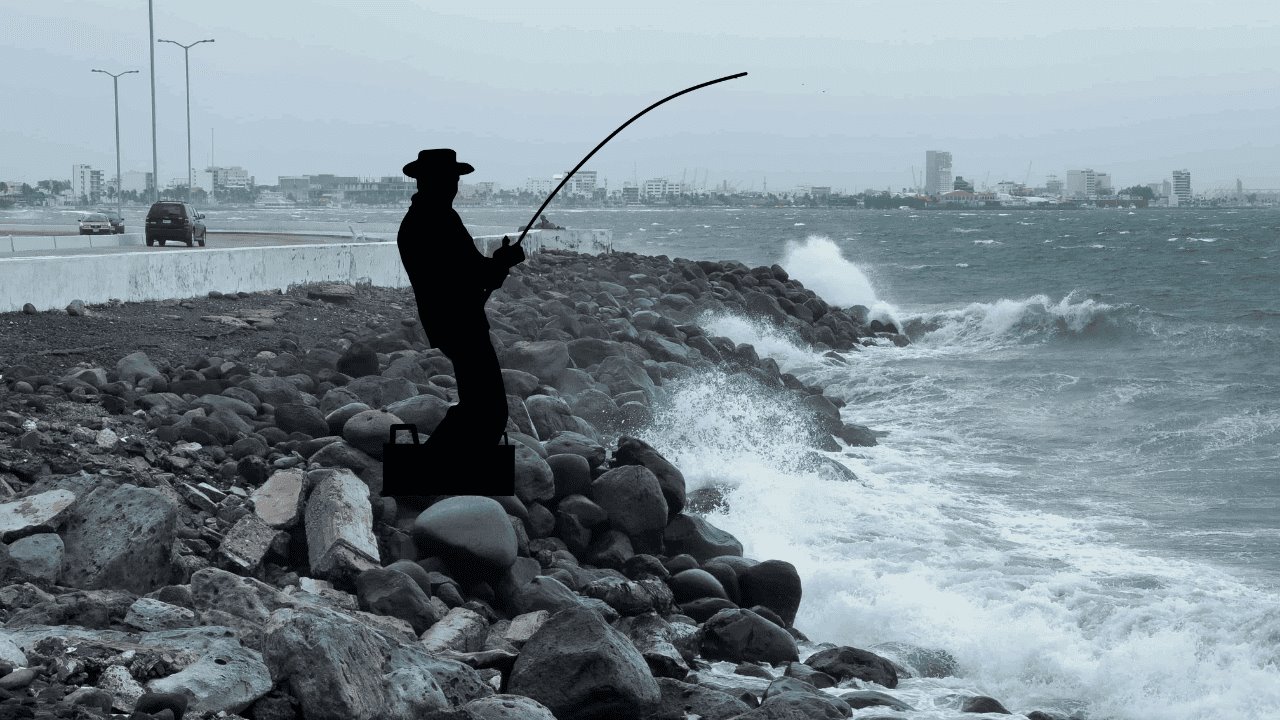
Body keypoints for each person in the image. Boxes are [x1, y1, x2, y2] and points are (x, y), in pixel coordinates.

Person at [396, 148, 525, 469]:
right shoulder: (434, 219)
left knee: (479, 405)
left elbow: (469, 272)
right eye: (450, 178)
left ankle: (443, 468)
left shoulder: (431, 216)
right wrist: (500, 264)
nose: (454, 184)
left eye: (455, 178)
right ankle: (431, 470)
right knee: (488, 409)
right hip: (459, 323)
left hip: (452, 321)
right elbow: (470, 273)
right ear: (430, 181)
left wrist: (497, 265)